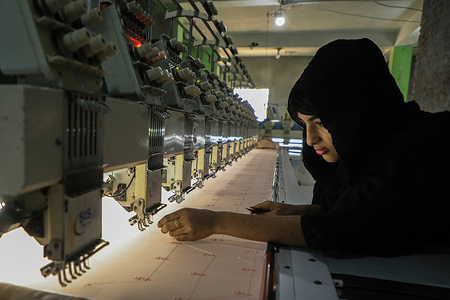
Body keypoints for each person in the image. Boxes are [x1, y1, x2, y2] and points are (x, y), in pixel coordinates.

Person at [158, 38, 450, 257]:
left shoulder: (420, 149)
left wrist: (216, 221)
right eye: (305, 124)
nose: (310, 139)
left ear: (357, 113)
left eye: (322, 122)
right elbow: (358, 204)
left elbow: (343, 230)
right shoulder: (371, 147)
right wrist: (297, 211)